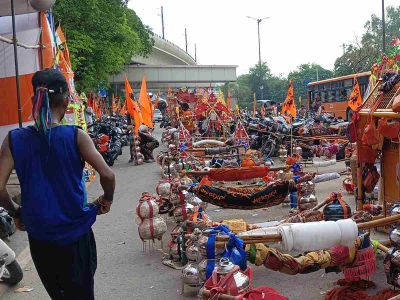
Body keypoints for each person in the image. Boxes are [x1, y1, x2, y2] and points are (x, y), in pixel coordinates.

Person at [0, 69, 115, 300]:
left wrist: (17, 213)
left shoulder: (14, 139)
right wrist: (107, 199)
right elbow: (108, 175)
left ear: (35, 100)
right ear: (65, 100)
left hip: (40, 236)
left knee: (59, 295)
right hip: (76, 234)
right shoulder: (76, 136)